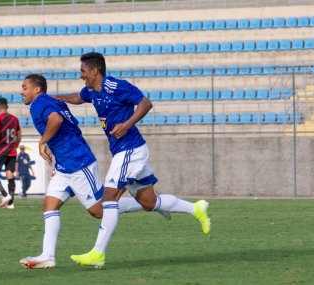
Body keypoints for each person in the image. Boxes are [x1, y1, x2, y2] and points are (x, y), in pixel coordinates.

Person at [52, 52, 211, 268]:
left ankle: (98, 253)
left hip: (130, 149)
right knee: (149, 203)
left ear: (94, 71)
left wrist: (126, 125)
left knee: (108, 198)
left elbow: (146, 104)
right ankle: (196, 209)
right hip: (124, 151)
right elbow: (77, 98)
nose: (81, 75)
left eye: (82, 71)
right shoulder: (92, 91)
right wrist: (54, 98)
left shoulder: (116, 86)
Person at [18, 74, 157, 269]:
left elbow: (56, 120)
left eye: (24, 87)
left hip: (78, 163)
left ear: (37, 89)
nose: (21, 91)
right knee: (49, 206)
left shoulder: (39, 103)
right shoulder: (49, 101)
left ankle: (144, 203)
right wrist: (51, 143)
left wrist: (43, 142)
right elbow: (69, 124)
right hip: (64, 165)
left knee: (99, 211)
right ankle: (48, 255)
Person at [0, 98, 21, 209]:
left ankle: (5, 195)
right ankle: (11, 204)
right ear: (7, 107)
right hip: (12, 151)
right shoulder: (15, 119)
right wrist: (14, 146)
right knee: (10, 175)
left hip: (2, 150)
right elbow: (19, 136)